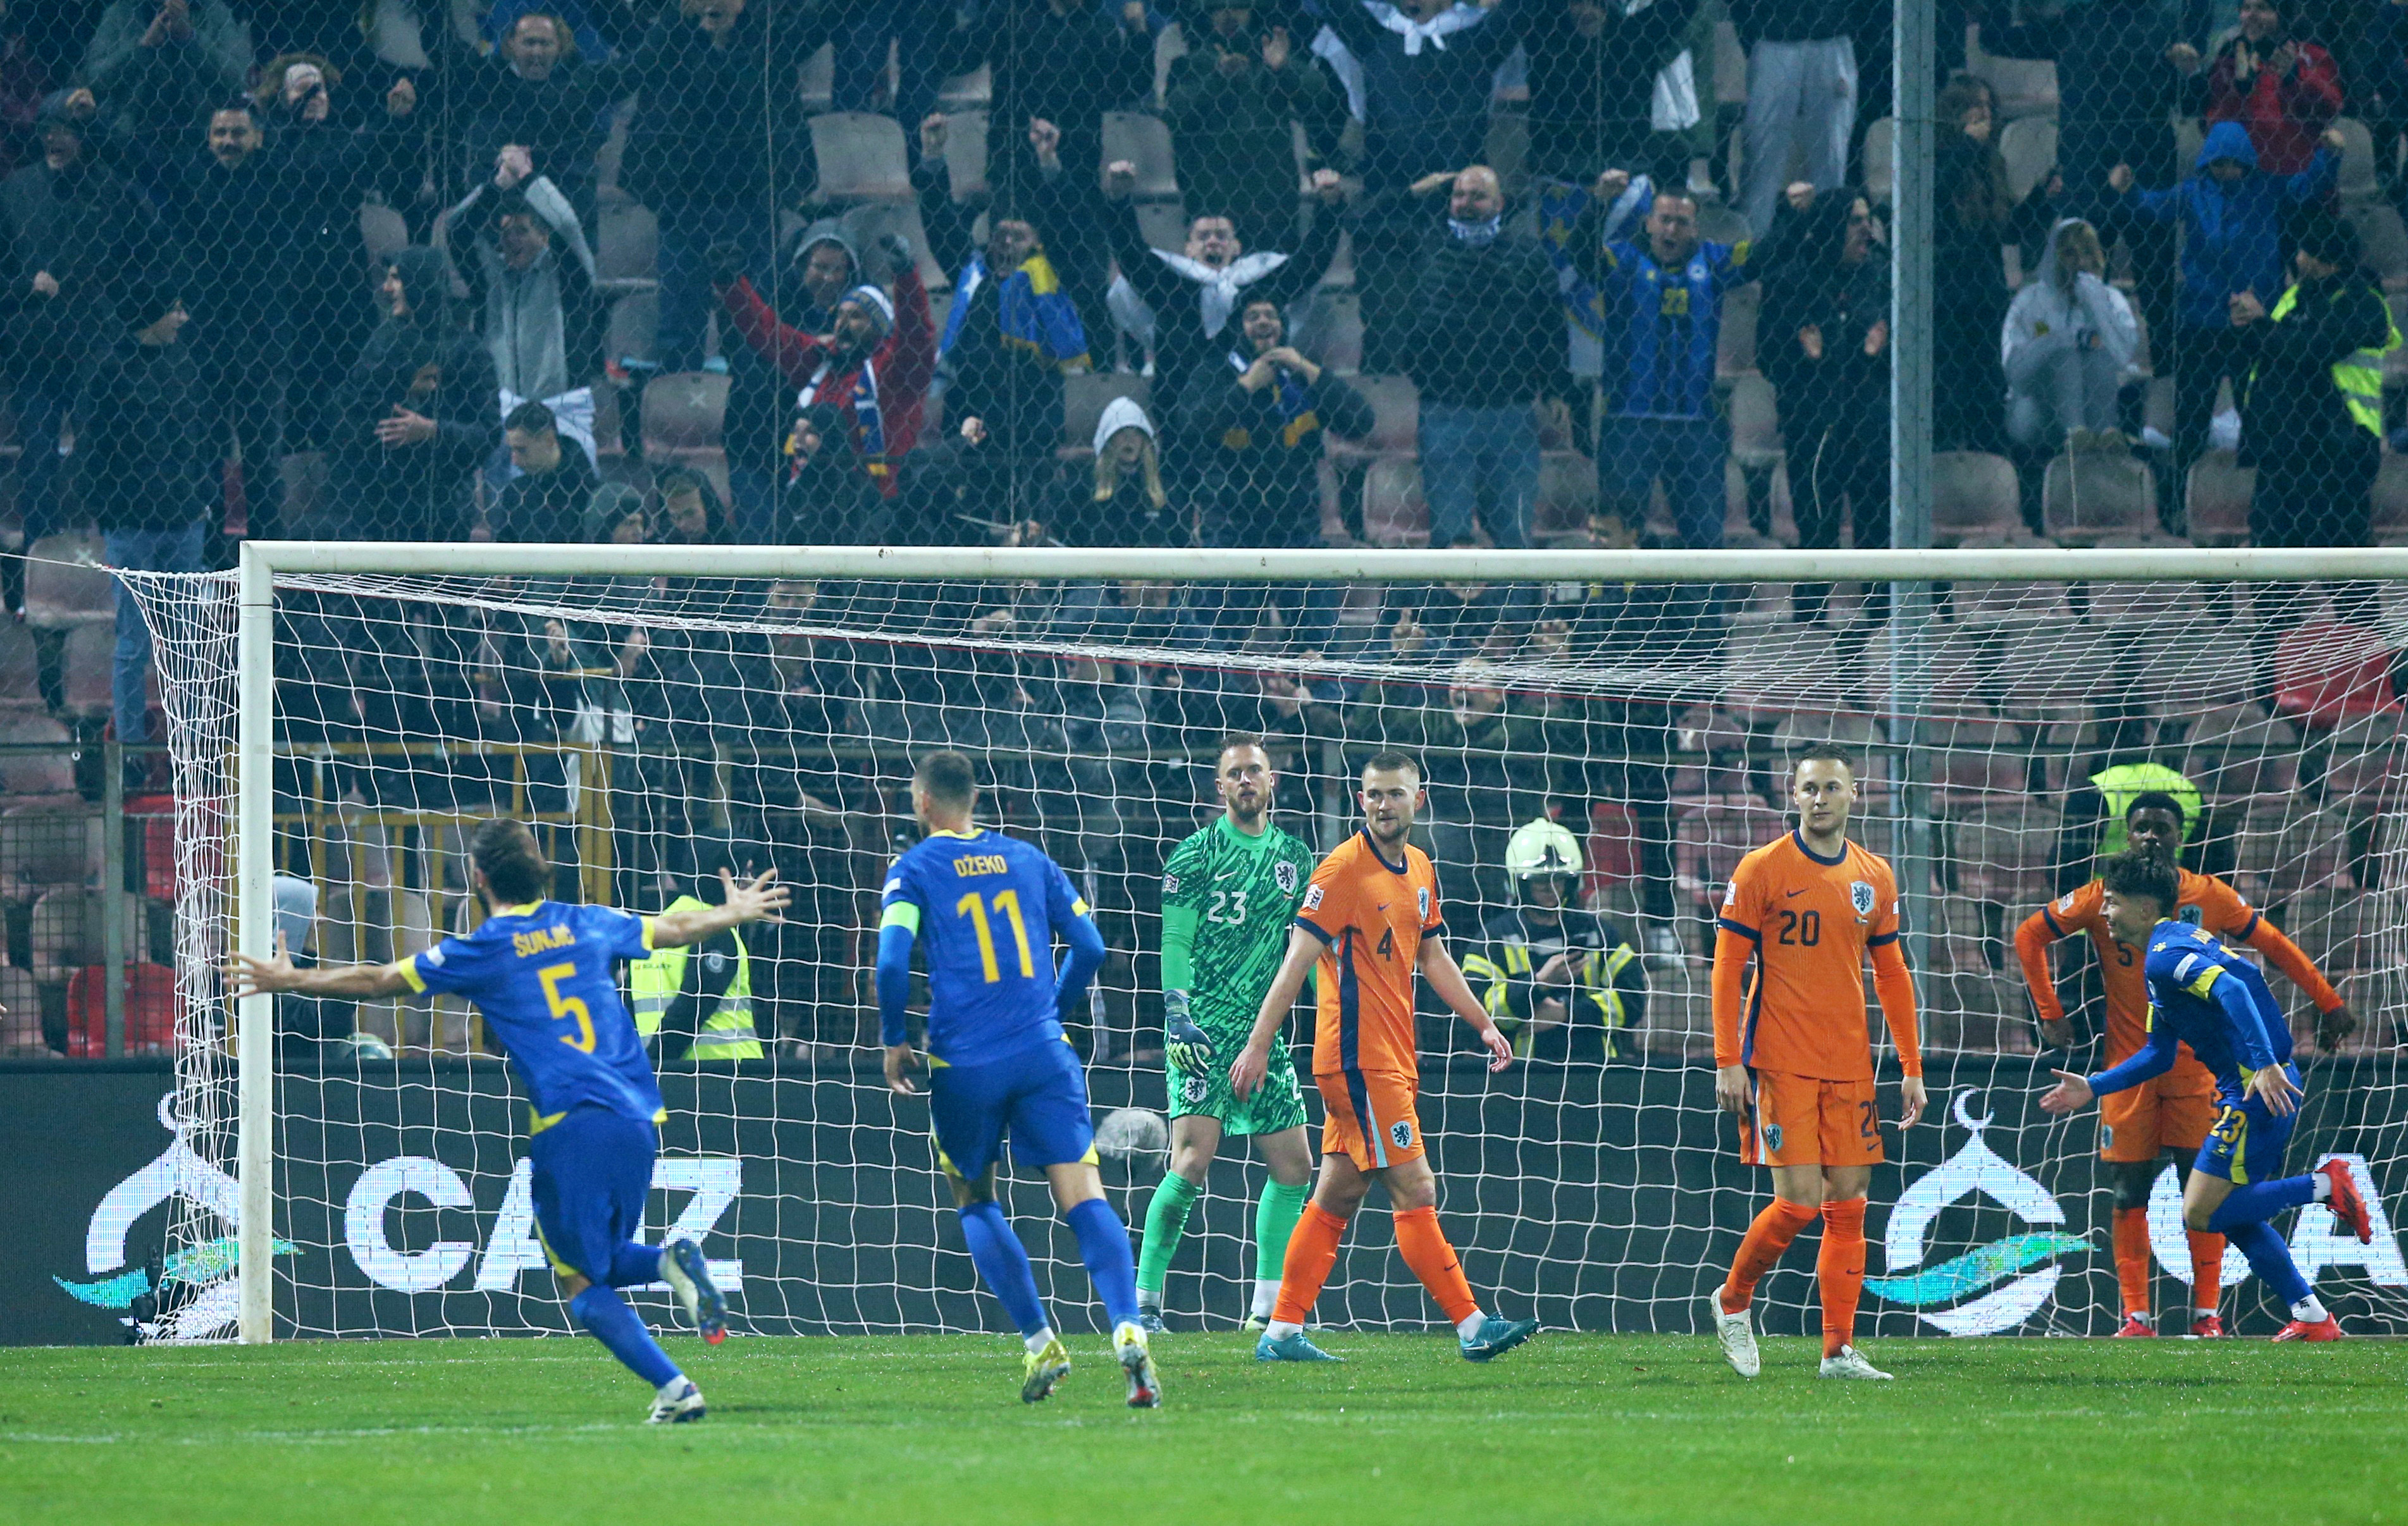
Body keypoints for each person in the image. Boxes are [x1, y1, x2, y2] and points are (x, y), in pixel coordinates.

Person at [228, 820, 793, 1421]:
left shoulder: (484, 947)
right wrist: (733, 913)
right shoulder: (584, 919)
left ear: (478, 878)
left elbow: (380, 980)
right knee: (598, 1259)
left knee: (578, 1281)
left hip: (570, 1122)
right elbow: (678, 928)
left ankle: (675, 1388)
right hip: (639, 1113)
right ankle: (668, 1263)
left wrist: (293, 978)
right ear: (540, 869)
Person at [873, 749, 1161, 1408]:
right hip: (1042, 1053)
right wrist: (1051, 1013)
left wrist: (894, 1041)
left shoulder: (912, 868)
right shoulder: (1031, 859)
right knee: (1084, 1194)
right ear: (975, 800)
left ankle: (1041, 1343)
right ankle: (1126, 1326)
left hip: (963, 1062)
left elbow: (892, 963)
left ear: (922, 803)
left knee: (973, 1196)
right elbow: (1091, 947)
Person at [1232, 750, 1540, 1364]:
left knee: (1337, 1196)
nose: (1383, 805)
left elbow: (1433, 957)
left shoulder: (1420, 868)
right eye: (1374, 794)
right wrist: (1259, 1044)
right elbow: (1295, 962)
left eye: (1395, 794)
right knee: (1415, 1185)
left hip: (1392, 1057)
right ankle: (1472, 1324)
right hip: (1356, 1060)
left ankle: (1282, 1330)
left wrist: (1483, 1023)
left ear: (1416, 801)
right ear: (1361, 799)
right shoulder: (1342, 871)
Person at [2015, 791, 2353, 1338]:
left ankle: (2321, 1187)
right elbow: (2159, 1051)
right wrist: (2093, 1086)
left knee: (2203, 1211)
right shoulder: (2165, 949)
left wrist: (2266, 1061)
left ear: (2145, 909)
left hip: (2253, 1089)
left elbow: (2232, 988)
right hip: (2241, 1085)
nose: (2103, 911)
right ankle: (2311, 1315)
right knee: (2231, 1212)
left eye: (2113, 904)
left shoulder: (2167, 954)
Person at [1707, 742, 1924, 1382]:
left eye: (1833, 787)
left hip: (1851, 1062)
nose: (1821, 798)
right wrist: (1728, 1059)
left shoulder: (1874, 876)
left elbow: (1891, 973)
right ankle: (1733, 1299)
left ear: (1855, 795)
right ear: (1792, 795)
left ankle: (1837, 1350)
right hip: (1779, 1060)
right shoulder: (1762, 869)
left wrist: (1910, 1065)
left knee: (1850, 1203)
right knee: (1800, 1202)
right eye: (1810, 789)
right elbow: (1726, 970)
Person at [1135, 735, 1321, 1333]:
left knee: (1294, 1165)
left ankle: (1266, 1309)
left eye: (1255, 772)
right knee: (1190, 1161)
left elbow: (1306, 949)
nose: (1246, 781)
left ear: (1273, 783)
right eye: (1235, 773)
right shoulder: (1193, 854)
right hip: (1203, 1031)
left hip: (1261, 1032)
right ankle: (1144, 1304)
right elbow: (1175, 941)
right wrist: (1177, 1015)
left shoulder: (1295, 856)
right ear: (1219, 787)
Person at [2111, 121, 2340, 488]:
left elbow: (2306, 187)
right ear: (2208, 163)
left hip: (2251, 321)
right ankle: (2180, 495)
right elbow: (2153, 207)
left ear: (2247, 161)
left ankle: (2261, 492)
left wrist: (2328, 157)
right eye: (2219, 164)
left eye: (2234, 163)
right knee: (2191, 415)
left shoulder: (2266, 189)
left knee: (2258, 414)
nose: (2227, 171)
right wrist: (2130, 191)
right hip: (2202, 319)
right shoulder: (2193, 193)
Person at [0, 95, 156, 564]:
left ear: (83, 136)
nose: (53, 137)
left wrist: (124, 313)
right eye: (46, 128)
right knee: (39, 466)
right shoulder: (16, 190)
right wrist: (23, 287)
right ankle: (38, 570)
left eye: (64, 128)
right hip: (36, 352)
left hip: (96, 349)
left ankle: (108, 565)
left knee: (101, 459)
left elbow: (148, 256)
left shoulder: (113, 192)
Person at [1102, 158, 1345, 449]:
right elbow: (1133, 257)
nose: (1213, 242)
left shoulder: (1260, 283)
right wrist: (1119, 203)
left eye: (1221, 236)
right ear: (1187, 249)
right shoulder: (1172, 284)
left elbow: (1309, 264)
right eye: (1203, 237)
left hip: (1257, 424)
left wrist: (1329, 209)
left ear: (1237, 247)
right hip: (1184, 420)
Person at [1395, 164, 1569, 550]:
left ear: (1499, 203)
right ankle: (1444, 614)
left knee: (1514, 535)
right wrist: (1414, 194)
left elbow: (1551, 328)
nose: (1466, 204)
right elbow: (1368, 224)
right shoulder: (1426, 246)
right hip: (1445, 409)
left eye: (1477, 196)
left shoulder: (1527, 255)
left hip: (1511, 411)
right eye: (1458, 195)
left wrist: (1557, 388)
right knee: (1449, 536)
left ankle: (1517, 614)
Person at [1572, 174, 1751, 552]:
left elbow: (1767, 256)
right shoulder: (1622, 259)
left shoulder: (1714, 261)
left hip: (1696, 423)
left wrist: (1790, 214)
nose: (1671, 229)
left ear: (1695, 228)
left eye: (1682, 222)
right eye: (1664, 219)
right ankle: (1617, 613)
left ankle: (1701, 614)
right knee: (1617, 536)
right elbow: (1580, 256)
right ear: (1648, 222)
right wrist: (1598, 204)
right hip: (1628, 420)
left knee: (1705, 540)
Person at [80, 276, 211, 779]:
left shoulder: (185, 365)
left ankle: (192, 744)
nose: (183, 318)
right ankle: (133, 751)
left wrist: (199, 499)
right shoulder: (110, 370)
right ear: (149, 313)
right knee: (134, 642)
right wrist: (110, 512)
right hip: (134, 525)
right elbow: (93, 450)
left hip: (181, 522)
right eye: (174, 308)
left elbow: (202, 437)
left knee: (185, 642)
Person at [917, 113, 1093, 469]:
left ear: (1039, 242)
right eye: (1000, 236)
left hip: (1034, 420)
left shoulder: (1053, 275)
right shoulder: (975, 273)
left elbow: (1073, 226)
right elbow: (941, 228)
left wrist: (1050, 166)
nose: (1007, 245)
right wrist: (934, 159)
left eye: (1019, 236)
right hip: (971, 413)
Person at [715, 234, 934, 503]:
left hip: (878, 502)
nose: (843, 323)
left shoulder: (895, 372)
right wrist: (731, 284)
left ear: (879, 328)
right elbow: (769, 333)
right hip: (816, 501)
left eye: (856, 317)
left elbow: (917, 336)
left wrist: (905, 275)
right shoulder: (823, 363)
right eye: (840, 315)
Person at [2232, 208, 2399, 553]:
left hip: (2340, 446)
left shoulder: (2362, 302)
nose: (2297, 257)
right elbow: (2271, 350)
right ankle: (2281, 610)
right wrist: (2248, 322)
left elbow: (2311, 349)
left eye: (2305, 250)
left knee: (2341, 561)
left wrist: (2263, 325)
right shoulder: (2297, 296)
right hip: (2283, 448)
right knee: (2270, 559)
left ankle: (2357, 608)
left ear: (2327, 260)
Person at [1757, 182, 1887, 622]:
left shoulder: (1879, 275)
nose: (1865, 230)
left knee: (1877, 534)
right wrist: (1804, 353)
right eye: (1854, 221)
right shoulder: (1792, 279)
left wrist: (1861, 351)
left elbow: (1893, 348)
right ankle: (1809, 634)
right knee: (1816, 533)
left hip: (1868, 423)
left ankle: (1880, 634)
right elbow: (1768, 356)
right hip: (1814, 425)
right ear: (1831, 226)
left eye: (1867, 220)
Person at [437, 147, 603, 472]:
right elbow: (456, 230)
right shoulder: (491, 280)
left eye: (522, 231)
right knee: (505, 514)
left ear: (544, 235)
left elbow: (568, 225)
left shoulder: (569, 279)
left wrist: (528, 178)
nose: (510, 241)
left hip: (561, 411)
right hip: (504, 414)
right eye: (505, 233)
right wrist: (495, 186)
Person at [326, 247, 502, 540]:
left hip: (442, 505)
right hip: (376, 505)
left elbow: (489, 432)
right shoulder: (382, 343)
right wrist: (400, 386)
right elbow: (344, 410)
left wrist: (433, 431)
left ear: (421, 283)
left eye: (397, 279)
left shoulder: (467, 350)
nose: (387, 288)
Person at [1183, 293, 1374, 549]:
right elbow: (1189, 426)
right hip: (1228, 530)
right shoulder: (1215, 373)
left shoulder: (1300, 377)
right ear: (1237, 328)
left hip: (1298, 531)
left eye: (1271, 316)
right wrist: (1247, 386)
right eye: (1253, 317)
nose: (1263, 322)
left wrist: (1307, 368)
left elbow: (1361, 422)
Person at [1461, 817, 1646, 1062]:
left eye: (1559, 879)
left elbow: (1632, 999)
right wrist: (1539, 983)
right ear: (1519, 884)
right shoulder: (1493, 939)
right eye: (1539, 881)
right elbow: (1481, 1011)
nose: (1551, 888)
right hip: (1521, 1076)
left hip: (1597, 1073)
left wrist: (1566, 1014)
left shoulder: (1599, 933)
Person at [1161, 4, 1347, 249]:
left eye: (1239, 6)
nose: (1229, 14)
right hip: (1211, 203)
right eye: (1219, 7)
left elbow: (1319, 97)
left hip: (1273, 204)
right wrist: (1217, 79)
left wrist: (1283, 68)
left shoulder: (1269, 51)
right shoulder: (1191, 61)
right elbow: (1174, 114)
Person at [1727, 0, 1877, 237]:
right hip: (1773, 36)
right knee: (1762, 158)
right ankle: (1755, 249)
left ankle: (1831, 247)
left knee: (1832, 158)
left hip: (1832, 34)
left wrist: (1847, 21)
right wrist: (1755, 25)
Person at [2002, 218, 2140, 458]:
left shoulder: (2110, 299)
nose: (2081, 263)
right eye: (2070, 254)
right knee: (2066, 357)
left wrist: (2097, 305)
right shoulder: (2029, 301)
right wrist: (2064, 340)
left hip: (2095, 407)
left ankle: (2101, 436)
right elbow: (2015, 373)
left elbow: (2123, 357)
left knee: (2099, 358)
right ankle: (2075, 432)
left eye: (2087, 253)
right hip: (2036, 407)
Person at [2184, 0, 2342, 177]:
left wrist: (2294, 77)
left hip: (2295, 174)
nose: (2252, 15)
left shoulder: (2309, 56)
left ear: (2281, 14)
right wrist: (2241, 88)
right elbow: (2210, 124)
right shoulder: (2228, 58)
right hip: (2241, 179)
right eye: (2246, 8)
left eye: (2262, 8)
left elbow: (2331, 108)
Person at [630, 862, 763, 1062]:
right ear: (721, 877)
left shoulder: (657, 928)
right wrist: (655, 1062)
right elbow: (692, 1008)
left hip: (669, 1073)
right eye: (745, 872)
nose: (751, 882)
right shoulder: (715, 932)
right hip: (726, 1070)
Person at [1063, 396, 1185, 547]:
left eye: (1136, 432)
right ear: (1108, 439)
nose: (1129, 439)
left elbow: (1181, 542)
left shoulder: (1166, 491)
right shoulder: (1082, 489)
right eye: (1122, 432)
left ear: (1145, 440)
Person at [492, 400, 599, 543]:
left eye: (522, 450)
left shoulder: (589, 495)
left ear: (549, 440)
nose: (515, 461)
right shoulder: (516, 492)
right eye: (511, 450)